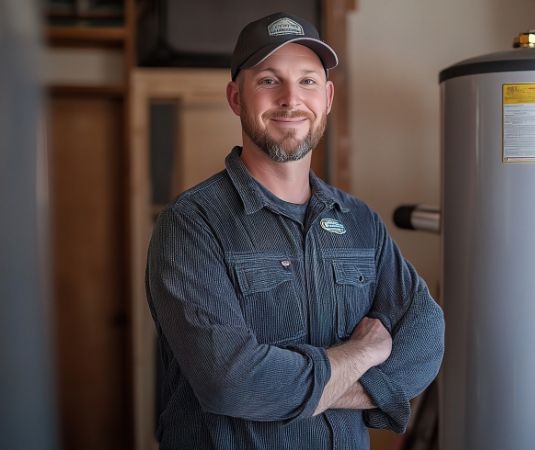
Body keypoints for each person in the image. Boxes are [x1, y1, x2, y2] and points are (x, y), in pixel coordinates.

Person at [145, 11, 445, 450]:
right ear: (235, 97)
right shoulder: (191, 224)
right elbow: (232, 382)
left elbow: (425, 337)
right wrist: (358, 355)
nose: (291, 98)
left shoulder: (359, 220)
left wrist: (295, 389)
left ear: (327, 98)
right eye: (269, 80)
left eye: (307, 81)